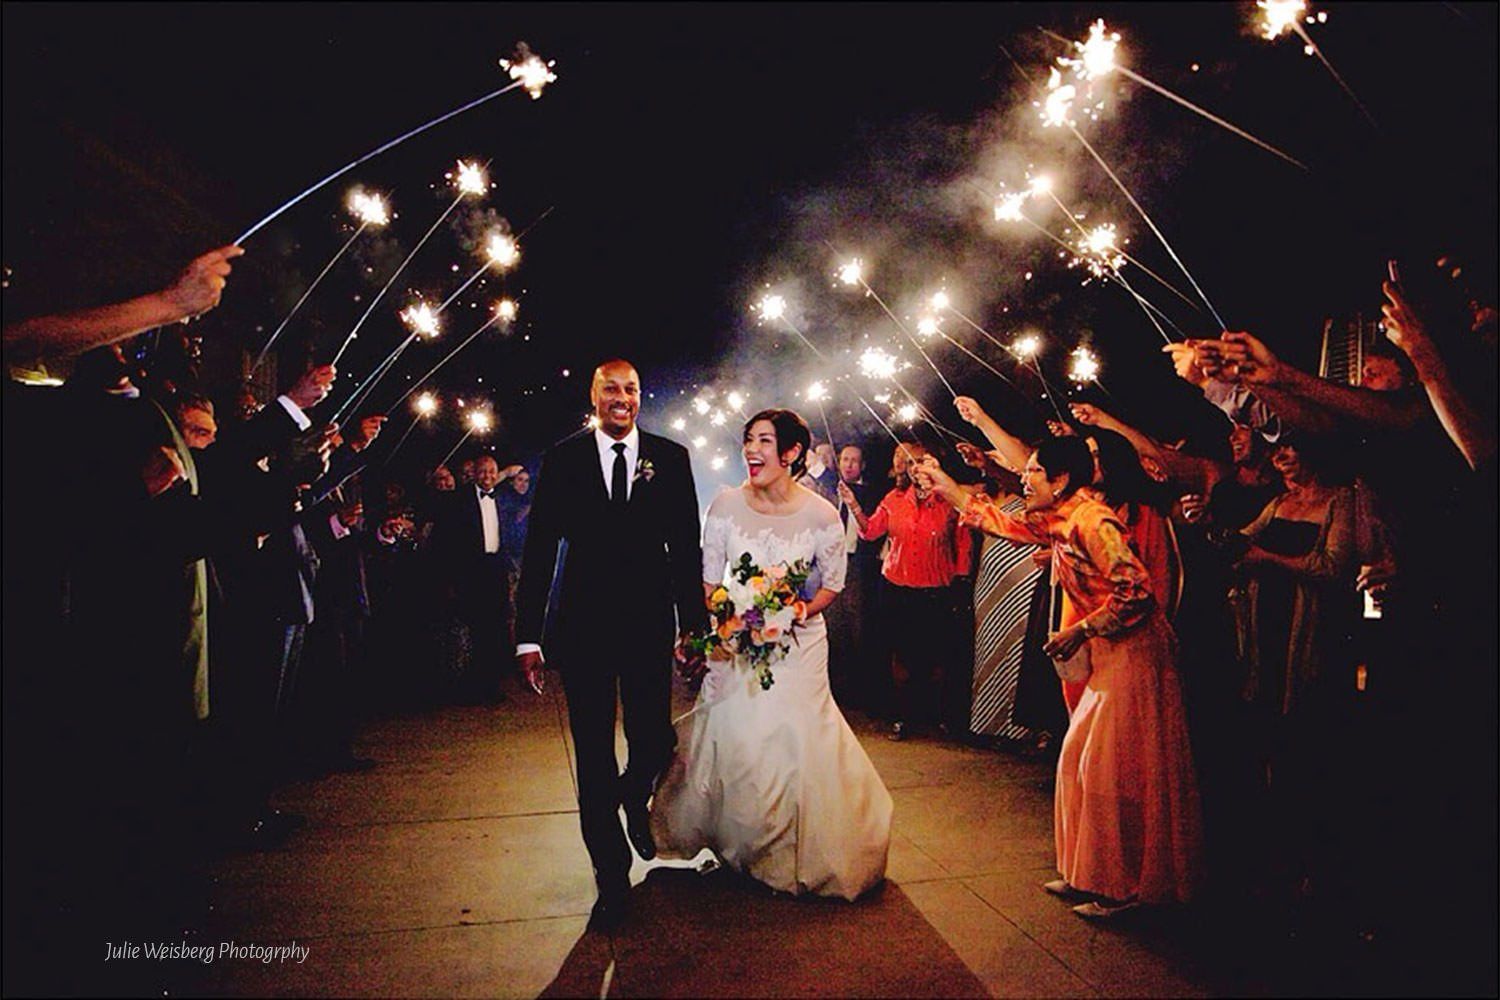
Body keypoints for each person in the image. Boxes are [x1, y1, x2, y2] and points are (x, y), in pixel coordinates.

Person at [918, 440, 1203, 918]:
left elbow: (1137, 593)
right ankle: (1090, 874)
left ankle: (1129, 890)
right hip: (1109, 653)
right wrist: (945, 484)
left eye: (1033, 471)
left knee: (1113, 772)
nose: (1023, 479)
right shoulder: (1062, 516)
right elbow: (1001, 521)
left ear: (1061, 479)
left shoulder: (1095, 521)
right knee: (1078, 762)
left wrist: (1080, 629)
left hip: (1136, 654)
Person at [652, 409, 892, 900]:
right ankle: (742, 848)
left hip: (800, 645)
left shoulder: (821, 514)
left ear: (791, 453)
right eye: (747, 440)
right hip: (735, 642)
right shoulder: (724, 505)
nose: (751, 450)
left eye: (764, 441)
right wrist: (730, 619)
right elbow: (709, 579)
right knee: (738, 740)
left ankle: (790, 851)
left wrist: (796, 610)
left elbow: (833, 584)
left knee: (793, 740)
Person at [513, 359, 708, 931]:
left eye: (631, 390)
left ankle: (634, 797)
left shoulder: (670, 458)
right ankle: (611, 878)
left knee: (655, 740)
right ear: (594, 396)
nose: (621, 398)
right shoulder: (565, 458)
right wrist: (529, 636)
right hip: (583, 630)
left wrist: (692, 626)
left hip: (648, 626)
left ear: (640, 397)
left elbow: (686, 550)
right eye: (610, 390)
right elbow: (542, 551)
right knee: (593, 756)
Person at [844, 442, 972, 740]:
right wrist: (853, 505)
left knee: (935, 654)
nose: (916, 468)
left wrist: (961, 580)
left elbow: (963, 543)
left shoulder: (950, 502)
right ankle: (904, 717)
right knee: (901, 654)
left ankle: (937, 716)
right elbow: (870, 531)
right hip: (897, 585)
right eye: (911, 463)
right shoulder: (895, 498)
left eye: (922, 462)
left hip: (936, 587)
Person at [429, 454, 524, 704]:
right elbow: (446, 542)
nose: (488, 477)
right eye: (483, 472)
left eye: (492, 472)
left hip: (497, 569)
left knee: (497, 628)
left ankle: (491, 685)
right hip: (471, 571)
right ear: (474, 474)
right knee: (474, 629)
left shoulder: (503, 499)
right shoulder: (458, 501)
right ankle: (473, 686)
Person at [826, 443, 884, 707]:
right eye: (845, 459)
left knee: (858, 625)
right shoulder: (830, 490)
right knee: (833, 625)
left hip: (858, 566)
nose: (848, 464)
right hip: (832, 564)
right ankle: (836, 689)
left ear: (862, 466)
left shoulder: (870, 493)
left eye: (854, 460)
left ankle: (863, 691)